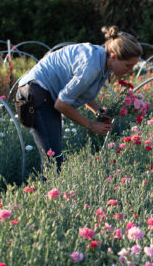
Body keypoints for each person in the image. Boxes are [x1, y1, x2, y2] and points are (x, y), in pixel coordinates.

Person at [16, 25, 142, 170]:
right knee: (53, 160)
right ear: (113, 56)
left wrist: (98, 110)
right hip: (36, 95)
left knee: (53, 157)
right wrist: (91, 125)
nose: (131, 70)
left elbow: (81, 90)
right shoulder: (91, 66)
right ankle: (48, 191)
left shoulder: (104, 61)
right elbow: (61, 104)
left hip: (44, 94)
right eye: (128, 65)